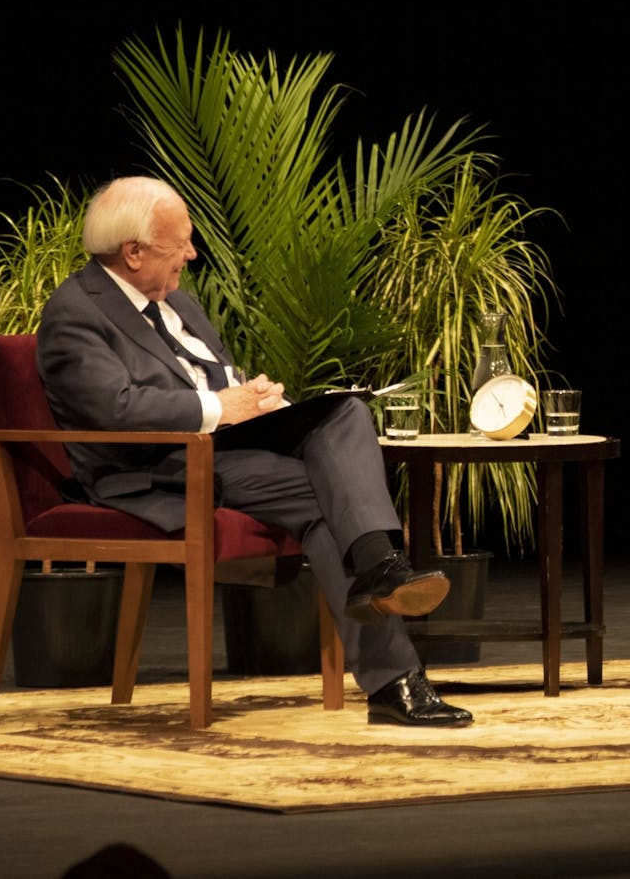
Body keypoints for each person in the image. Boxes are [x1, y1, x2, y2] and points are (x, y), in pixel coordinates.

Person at [36, 175, 472, 727]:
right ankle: (394, 670)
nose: (192, 255)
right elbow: (116, 409)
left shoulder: (182, 305)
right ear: (134, 252)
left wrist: (259, 399)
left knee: (345, 413)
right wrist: (224, 406)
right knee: (327, 496)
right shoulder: (77, 310)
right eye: (182, 244)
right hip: (152, 469)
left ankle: (380, 570)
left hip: (224, 453)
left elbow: (218, 379)